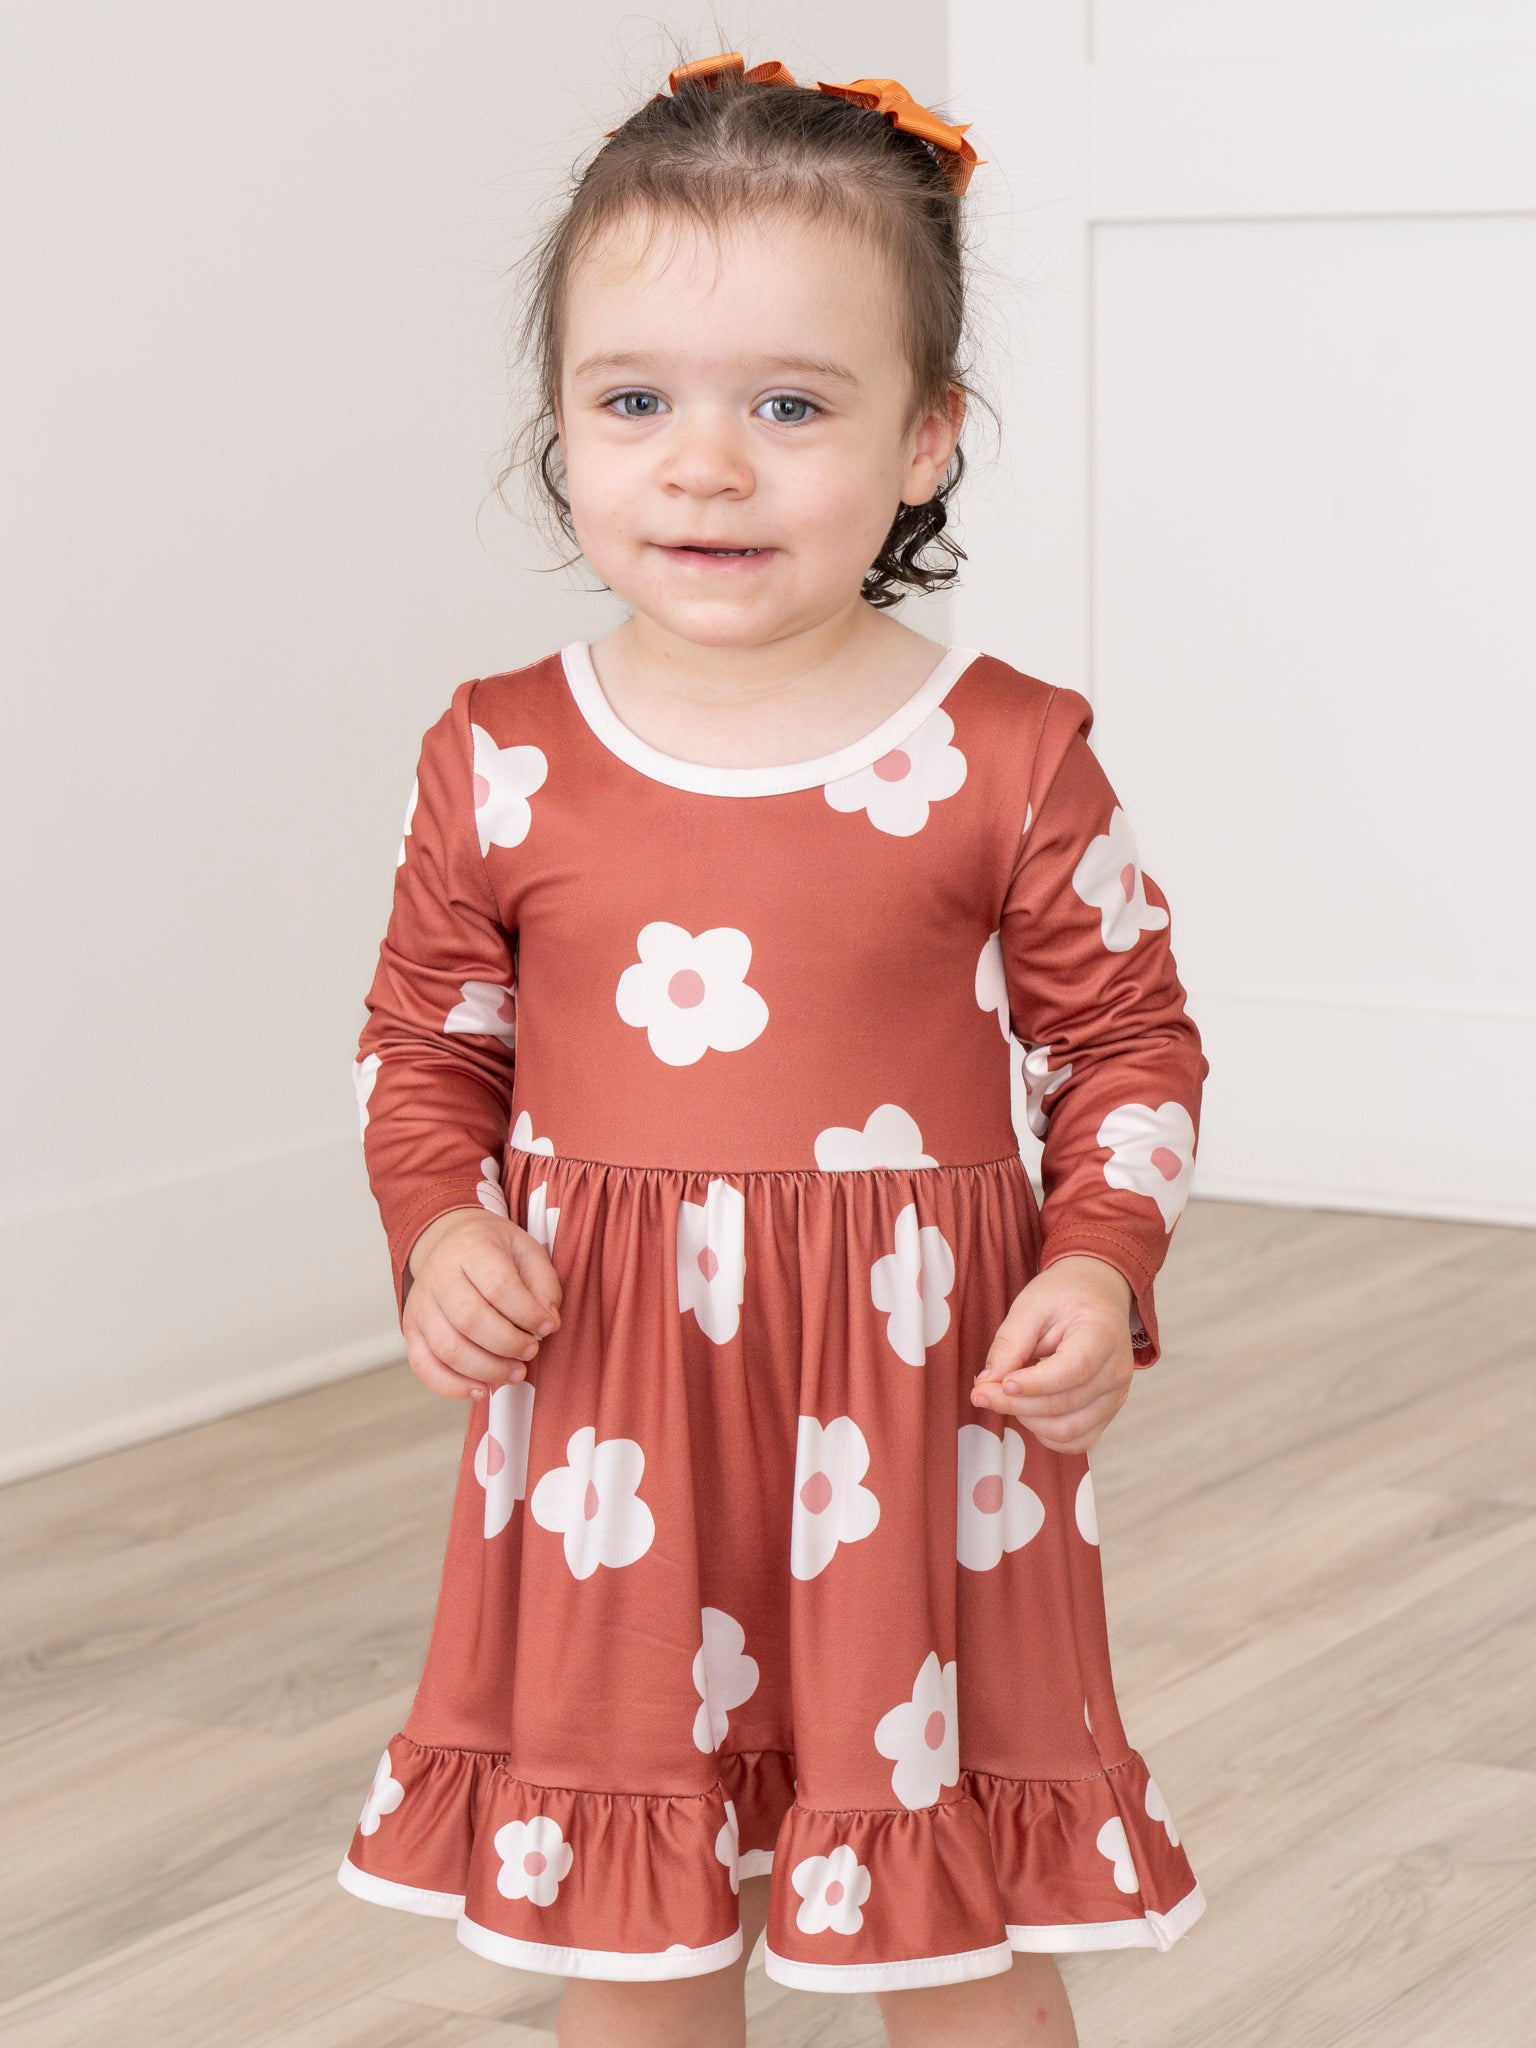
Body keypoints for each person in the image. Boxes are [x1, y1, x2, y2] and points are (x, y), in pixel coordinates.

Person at [336, 43, 1210, 2048]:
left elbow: (1130, 1041)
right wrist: (438, 1225)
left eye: (788, 407)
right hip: (615, 1411)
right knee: (640, 1915)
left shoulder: (1009, 751)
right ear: (560, 430)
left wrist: (1099, 1258)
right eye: (633, 400)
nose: (703, 463)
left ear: (925, 439)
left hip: (920, 1415)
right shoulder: (501, 751)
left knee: (948, 1903)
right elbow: (428, 1036)